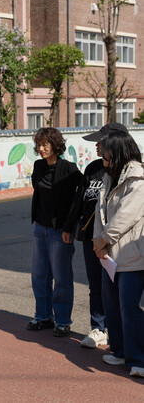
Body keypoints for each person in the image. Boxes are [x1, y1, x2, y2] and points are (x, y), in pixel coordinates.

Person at [63, 123, 129, 348]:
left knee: (119, 287)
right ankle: (98, 328)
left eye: (101, 142)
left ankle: (119, 331)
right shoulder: (92, 168)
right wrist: (69, 227)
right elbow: (79, 199)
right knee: (96, 286)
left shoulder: (129, 172)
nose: (97, 146)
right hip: (92, 237)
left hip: (117, 240)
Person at [92, 131, 144, 378]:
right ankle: (120, 350)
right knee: (111, 303)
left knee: (129, 306)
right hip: (109, 253)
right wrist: (98, 242)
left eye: (107, 154)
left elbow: (127, 215)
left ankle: (138, 359)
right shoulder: (109, 176)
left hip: (132, 253)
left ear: (119, 153)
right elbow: (99, 210)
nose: (103, 158)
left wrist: (103, 239)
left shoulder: (138, 178)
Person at [28, 127, 81, 337]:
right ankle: (43, 316)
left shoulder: (69, 169)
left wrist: (70, 226)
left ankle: (62, 321)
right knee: (39, 275)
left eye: (45, 144)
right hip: (40, 228)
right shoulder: (38, 166)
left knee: (61, 278)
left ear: (55, 145)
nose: (41, 149)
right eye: (39, 145)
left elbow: (81, 195)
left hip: (60, 231)